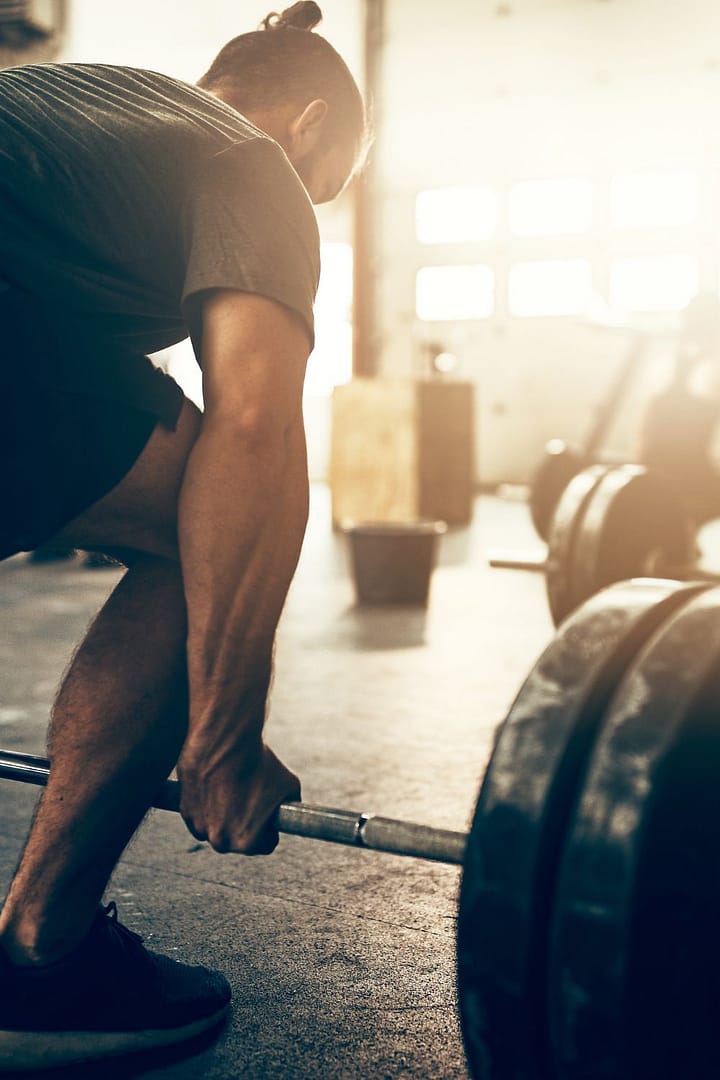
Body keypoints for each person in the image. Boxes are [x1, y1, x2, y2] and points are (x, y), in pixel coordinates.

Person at [0, 1, 368, 1069]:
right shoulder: (252, 161)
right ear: (303, 126)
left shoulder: (85, 112)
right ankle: (43, 958)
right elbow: (254, 435)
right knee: (194, 537)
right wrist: (222, 730)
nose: (311, 213)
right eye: (325, 187)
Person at [637, 294, 720, 523]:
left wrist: (641, 466)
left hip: (656, 468)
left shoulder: (663, 365)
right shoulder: (713, 368)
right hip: (689, 474)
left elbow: (644, 429)